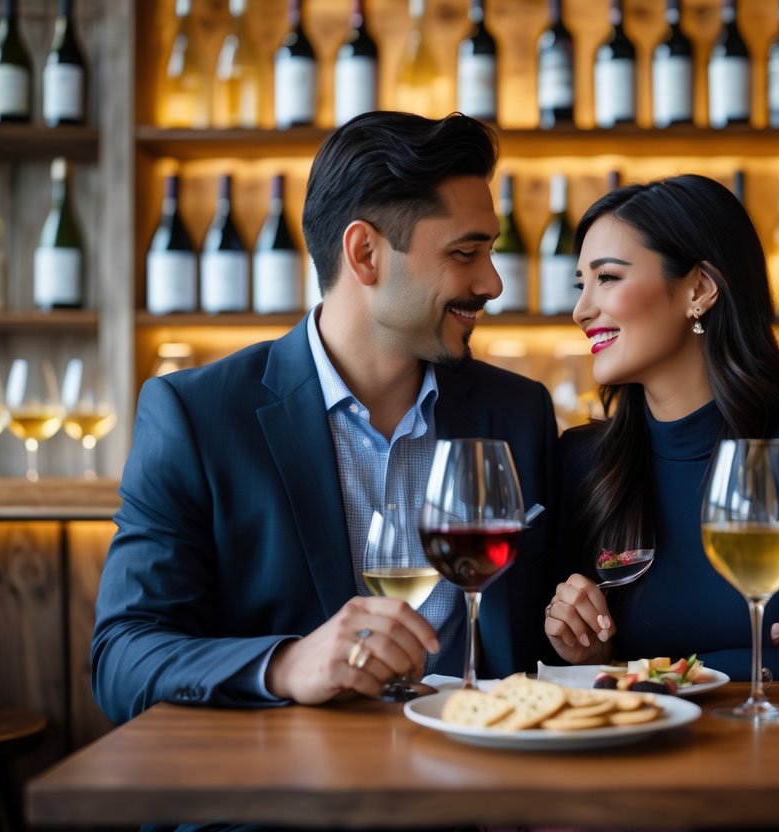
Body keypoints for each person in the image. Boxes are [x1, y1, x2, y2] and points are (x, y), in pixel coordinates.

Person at [93, 112, 558, 724]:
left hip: (484, 790)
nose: (492, 282)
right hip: (280, 797)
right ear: (365, 253)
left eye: (490, 252)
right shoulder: (196, 416)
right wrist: (288, 665)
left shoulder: (519, 413)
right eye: (465, 253)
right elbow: (122, 658)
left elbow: (541, 643)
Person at [543, 174, 779, 682]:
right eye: (582, 284)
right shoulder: (582, 460)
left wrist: (635, 669)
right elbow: (566, 676)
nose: (581, 310)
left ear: (699, 289)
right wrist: (768, 661)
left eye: (608, 278)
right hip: (632, 756)